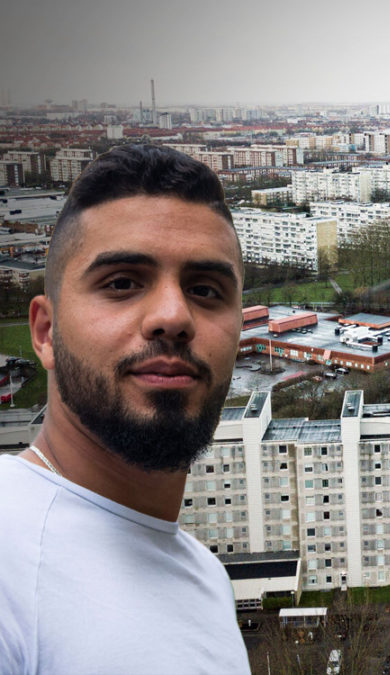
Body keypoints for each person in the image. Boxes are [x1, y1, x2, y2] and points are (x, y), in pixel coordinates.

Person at [0, 145, 250, 672]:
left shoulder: (206, 580)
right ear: (45, 334)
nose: (173, 316)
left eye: (205, 289)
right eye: (122, 283)